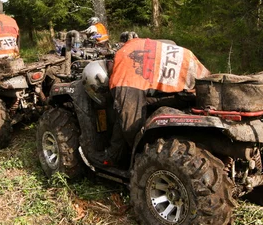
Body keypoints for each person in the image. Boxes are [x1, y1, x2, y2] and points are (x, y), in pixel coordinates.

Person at [83, 37, 210, 165]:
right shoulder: (126, 48)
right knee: (137, 104)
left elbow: (130, 125)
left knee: (128, 116)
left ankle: (144, 159)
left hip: (187, 90)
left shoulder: (121, 78)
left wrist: (138, 154)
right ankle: (114, 153)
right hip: (197, 75)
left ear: (101, 79)